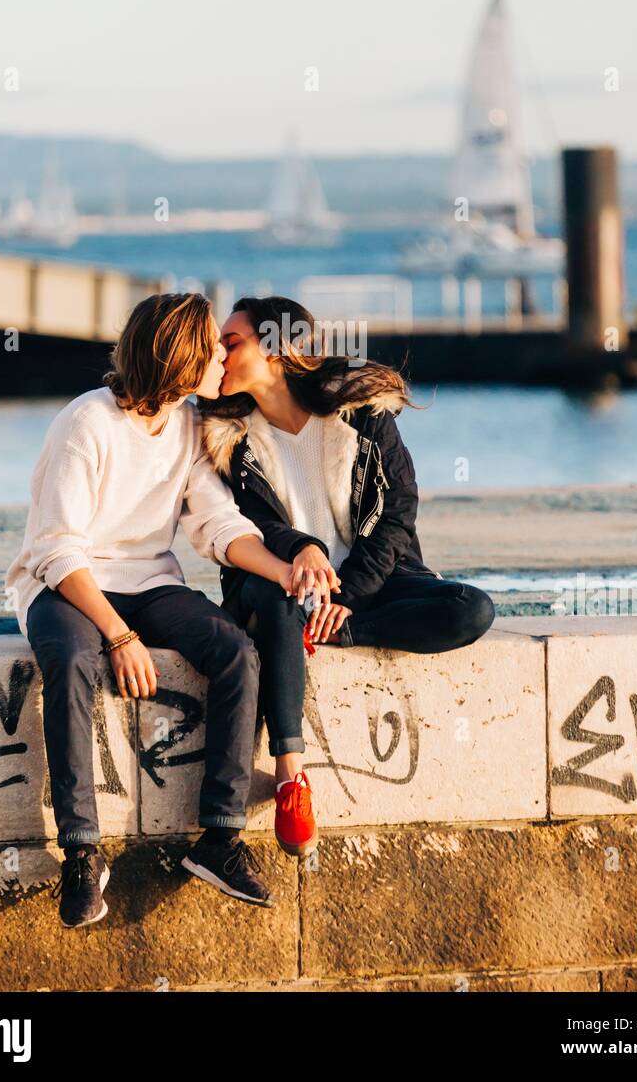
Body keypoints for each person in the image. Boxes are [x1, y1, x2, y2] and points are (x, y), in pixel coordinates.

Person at [5, 292, 301, 926]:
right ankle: (82, 852)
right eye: (213, 347)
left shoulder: (190, 425)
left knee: (236, 653)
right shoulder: (88, 422)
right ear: (182, 359)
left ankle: (219, 839)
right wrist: (118, 635)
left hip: (148, 581)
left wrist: (283, 569)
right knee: (73, 661)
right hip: (65, 583)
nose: (224, 353)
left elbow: (218, 524)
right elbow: (56, 549)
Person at [199, 295, 496, 858]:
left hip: (373, 584)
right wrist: (305, 552)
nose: (219, 352)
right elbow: (250, 524)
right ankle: (292, 779)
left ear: (278, 348)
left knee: (471, 609)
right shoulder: (226, 438)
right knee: (277, 591)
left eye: (231, 342)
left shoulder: (360, 412)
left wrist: (348, 602)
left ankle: (336, 632)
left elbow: (398, 511)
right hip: (279, 583)